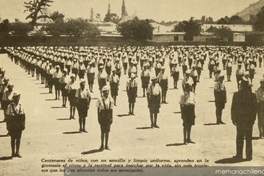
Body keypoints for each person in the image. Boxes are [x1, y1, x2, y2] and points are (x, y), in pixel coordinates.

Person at [231, 76, 257, 161]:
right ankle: (249, 156)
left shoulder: (237, 95)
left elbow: (233, 108)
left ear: (241, 84)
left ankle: (239, 155)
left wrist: (233, 118)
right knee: (248, 138)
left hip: (240, 120)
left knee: (240, 137)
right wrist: (253, 119)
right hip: (249, 121)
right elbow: (254, 109)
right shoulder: (253, 95)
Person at [6, 93, 25, 157]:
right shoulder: (9, 106)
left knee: (19, 138)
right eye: (16, 97)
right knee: (13, 138)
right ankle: (13, 152)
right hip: (13, 124)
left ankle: (17, 152)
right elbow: (7, 117)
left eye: (19, 97)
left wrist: (23, 124)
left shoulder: (21, 105)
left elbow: (23, 115)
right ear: (13, 98)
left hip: (19, 124)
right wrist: (8, 126)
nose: (18, 98)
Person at [97, 86, 114, 151]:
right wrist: (98, 118)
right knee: (102, 131)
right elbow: (98, 110)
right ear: (102, 93)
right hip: (102, 115)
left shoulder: (111, 99)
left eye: (107, 92)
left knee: (107, 131)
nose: (106, 93)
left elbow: (111, 109)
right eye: (105, 92)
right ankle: (102, 145)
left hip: (108, 115)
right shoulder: (99, 99)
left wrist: (111, 118)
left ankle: (106, 144)